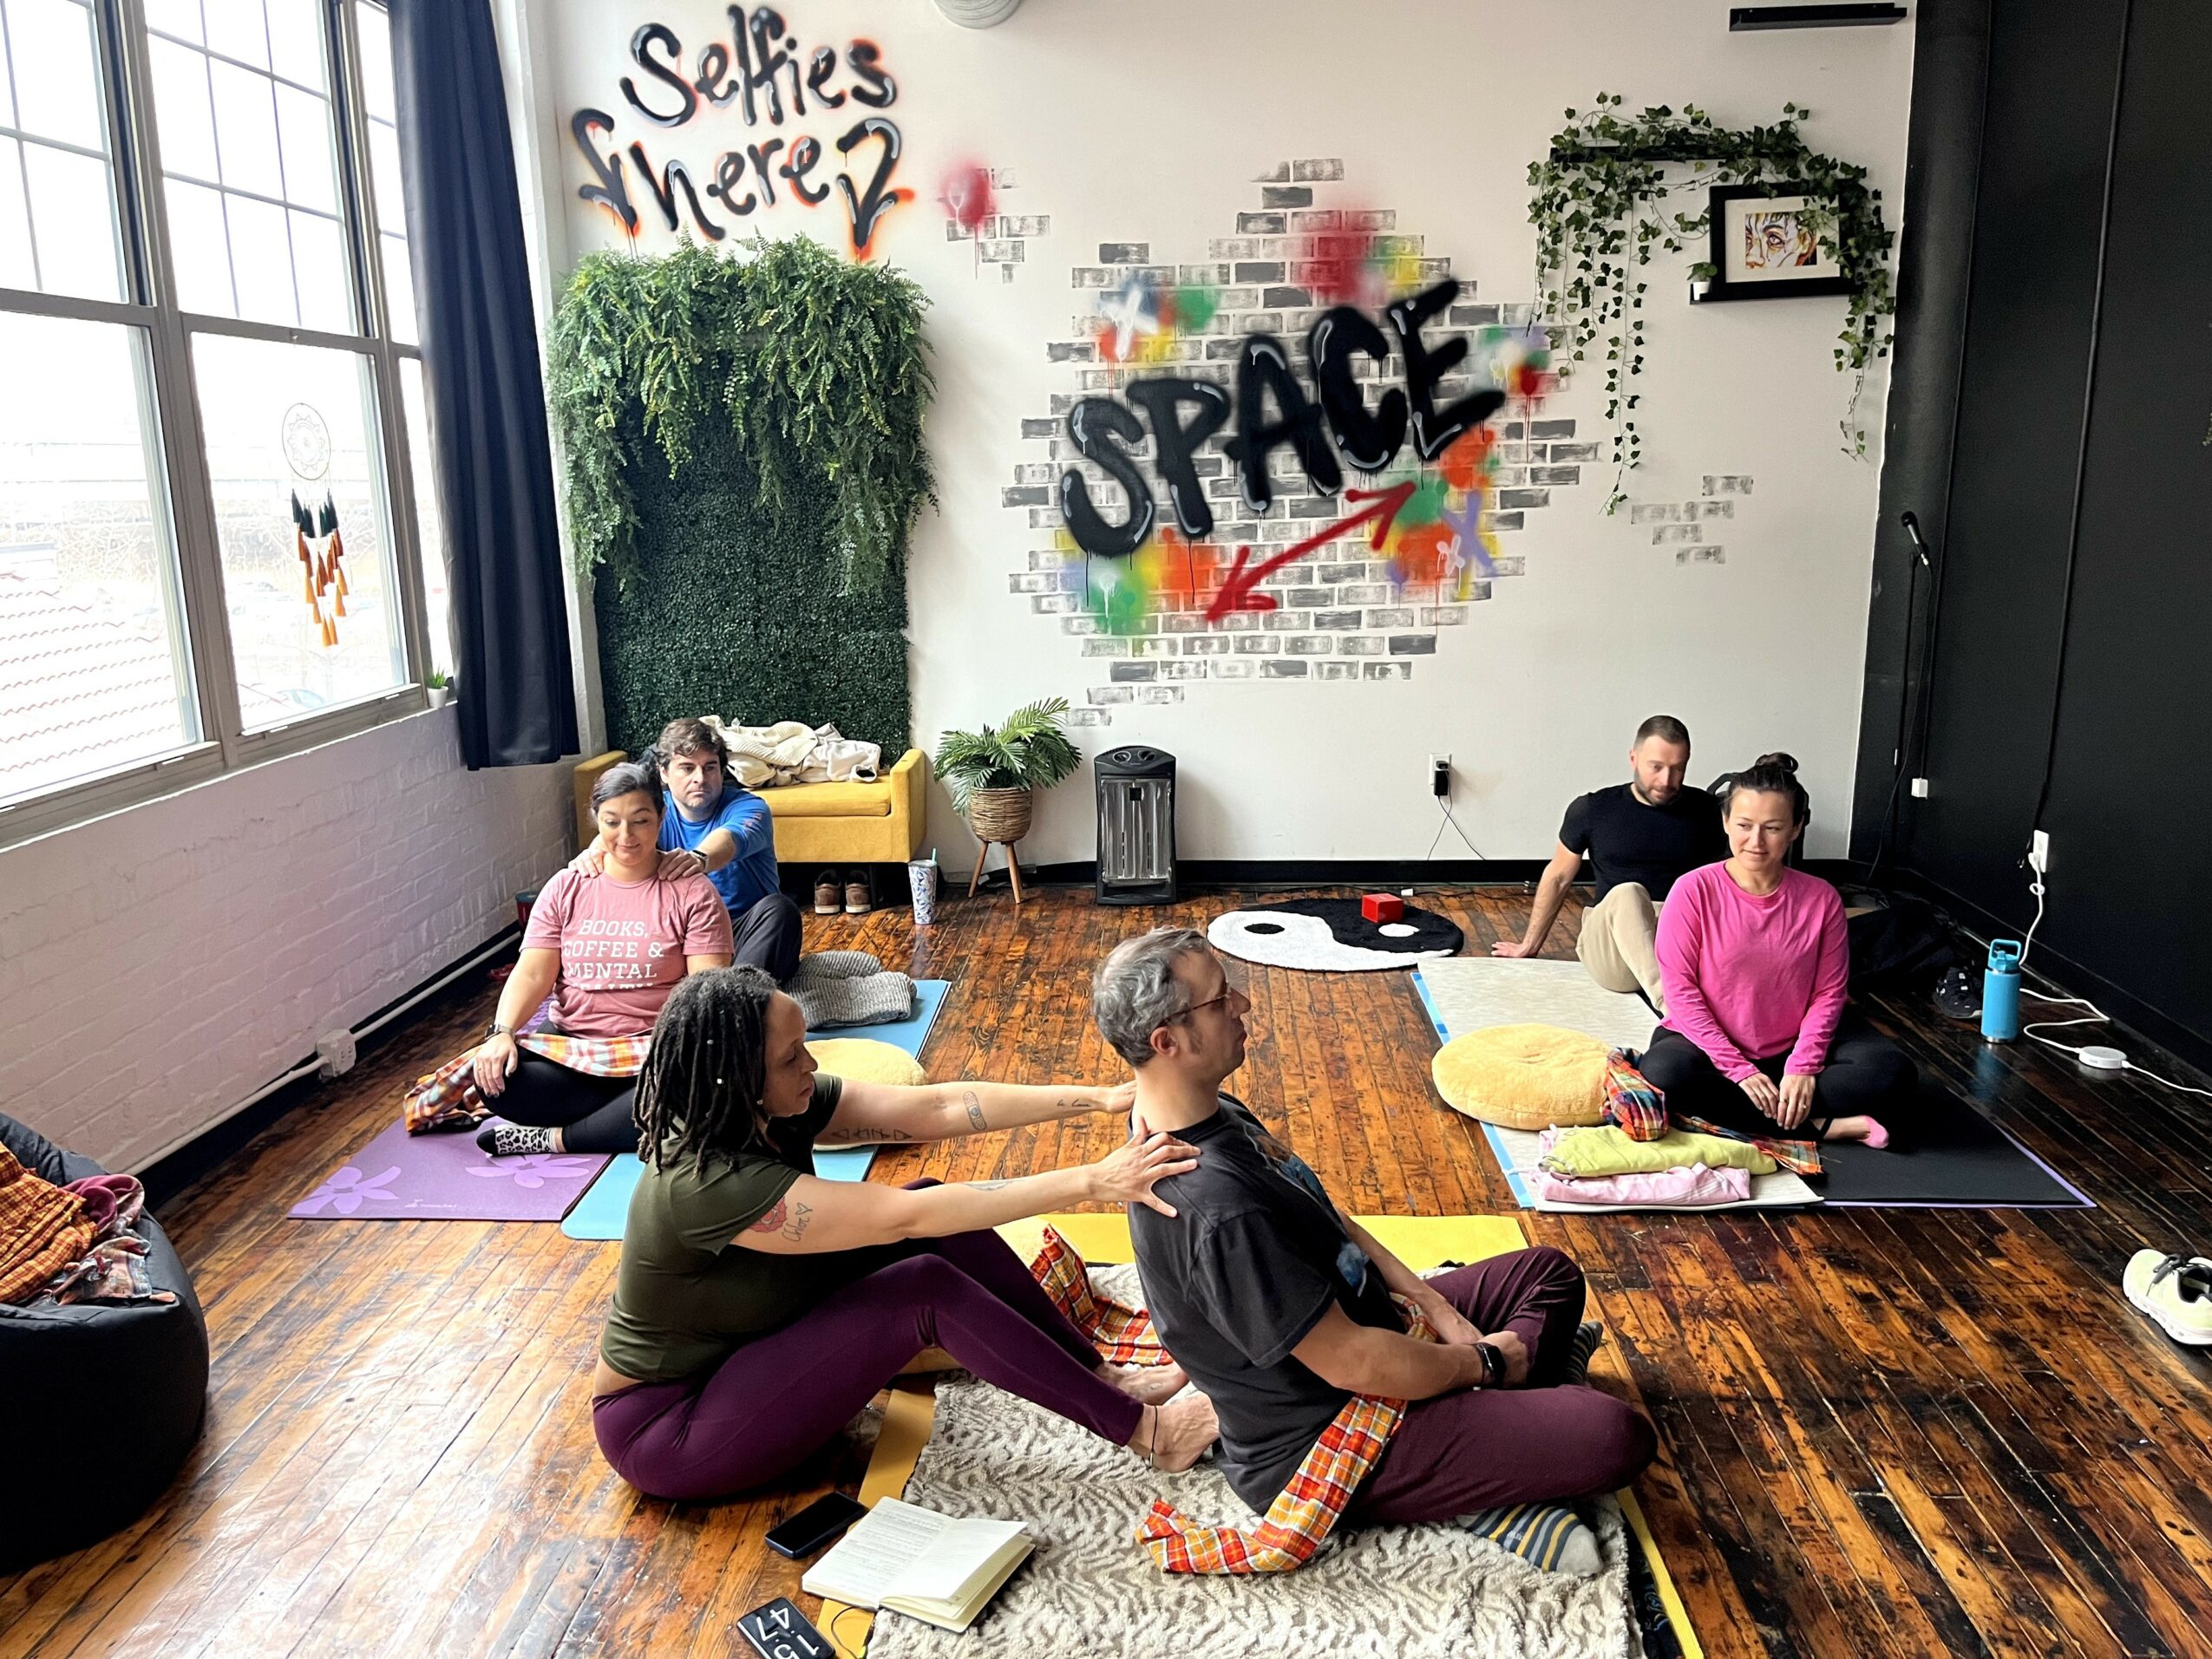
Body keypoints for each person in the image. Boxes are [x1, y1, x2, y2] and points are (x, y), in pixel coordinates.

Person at [591, 966, 1221, 1501]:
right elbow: (905, 1218)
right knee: (922, 1284)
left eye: (804, 1044)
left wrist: (1098, 1099)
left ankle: (1104, 1377)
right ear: (738, 1077)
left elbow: (933, 1109)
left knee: (928, 1207)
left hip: (750, 1348)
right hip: (672, 1425)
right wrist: (1092, 1180)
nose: (811, 1063)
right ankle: (1153, 1435)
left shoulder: (768, 1106)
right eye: (790, 1057)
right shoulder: (704, 1183)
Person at [1094, 928, 1655, 1527]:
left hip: (1370, 1326)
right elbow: (1352, 1361)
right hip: (1323, 1433)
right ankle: (1492, 1466)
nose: (1244, 1004)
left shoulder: (1205, 1112)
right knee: (1613, 1433)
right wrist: (1483, 1362)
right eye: (1220, 998)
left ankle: (1496, 1442)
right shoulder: (1216, 1207)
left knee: (1548, 1273)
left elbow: (1327, 1215)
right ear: (1168, 1041)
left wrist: (1436, 1307)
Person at [1637, 755, 1914, 1146]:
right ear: (1725, 822)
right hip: (1708, 1047)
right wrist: (1738, 1069)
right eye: (1744, 826)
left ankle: (1749, 1116)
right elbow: (1681, 992)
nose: (1756, 841)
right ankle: (1823, 1126)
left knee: (1892, 1072)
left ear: (1795, 829)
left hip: (1790, 1048)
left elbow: (1829, 992)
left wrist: (1803, 1066)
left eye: (1772, 828)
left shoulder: (1822, 898)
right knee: (1663, 1075)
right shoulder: (1692, 891)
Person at [472, 761, 734, 1158]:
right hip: (577, 1052)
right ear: (596, 820)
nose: (626, 836)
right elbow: (533, 974)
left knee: (706, 1084)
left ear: (661, 817)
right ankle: (630, 1118)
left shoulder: (692, 892)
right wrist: (501, 1033)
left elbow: (705, 993)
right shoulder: (566, 886)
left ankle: (558, 1138)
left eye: (640, 821)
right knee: (494, 1078)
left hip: (657, 1051)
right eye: (612, 822)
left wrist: (676, 1057)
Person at [1492, 714, 1728, 1014]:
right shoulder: (1593, 809)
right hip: (1611, 947)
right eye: (1656, 767)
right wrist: (1529, 945)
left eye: (1677, 768)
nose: (1666, 780)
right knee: (1629, 893)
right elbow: (1559, 877)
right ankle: (1673, 1008)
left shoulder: (1710, 812)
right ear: (1633, 758)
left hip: (1677, 942)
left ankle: (1680, 992)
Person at [574, 718, 802, 983]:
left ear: (721, 772)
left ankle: (732, 995)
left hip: (741, 932)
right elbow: (618, 833)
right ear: (664, 772)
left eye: (710, 768)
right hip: (678, 934)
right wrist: (595, 852)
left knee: (780, 910)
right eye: (687, 768)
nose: (700, 779)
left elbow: (729, 839)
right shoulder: (654, 812)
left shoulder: (751, 808)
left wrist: (698, 859)